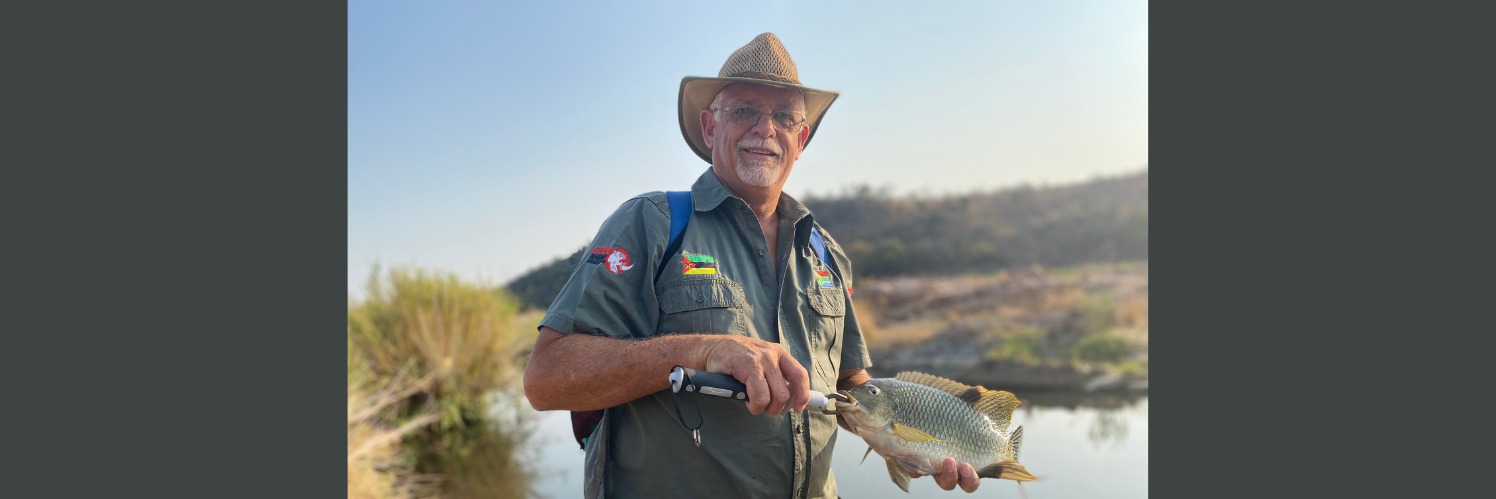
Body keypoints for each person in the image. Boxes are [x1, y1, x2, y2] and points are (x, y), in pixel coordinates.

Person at [523, 32, 982, 498]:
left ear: (800, 139)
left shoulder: (825, 252)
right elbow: (546, 380)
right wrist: (704, 350)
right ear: (709, 127)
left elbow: (848, 384)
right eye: (744, 110)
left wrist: (907, 441)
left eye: (784, 116)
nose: (766, 128)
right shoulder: (653, 223)